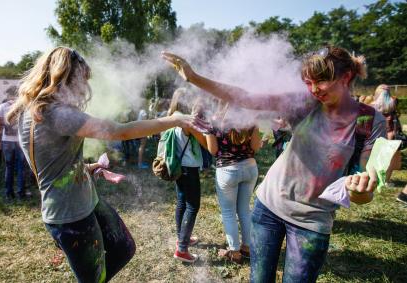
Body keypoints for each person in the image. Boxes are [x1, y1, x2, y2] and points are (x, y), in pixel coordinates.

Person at [162, 46, 386, 282]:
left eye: (320, 82)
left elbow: (364, 192)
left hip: (312, 221)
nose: (313, 90)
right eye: (307, 82)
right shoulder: (305, 103)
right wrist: (194, 77)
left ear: (346, 77)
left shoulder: (369, 122)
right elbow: (246, 97)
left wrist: (361, 190)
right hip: (268, 208)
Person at [6, 47, 200, 282]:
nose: (84, 88)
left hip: (81, 202)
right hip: (70, 214)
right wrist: (174, 119)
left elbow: (51, 163)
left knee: (123, 248)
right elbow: (121, 132)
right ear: (68, 77)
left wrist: (85, 168)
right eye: (82, 80)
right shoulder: (57, 113)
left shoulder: (38, 109)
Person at [205, 102, 261, 263]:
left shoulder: (214, 120)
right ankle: (247, 247)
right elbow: (255, 147)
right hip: (250, 168)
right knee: (244, 209)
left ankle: (235, 252)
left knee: (229, 212)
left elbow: (213, 150)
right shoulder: (251, 119)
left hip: (227, 170)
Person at [167, 88, 208, 263]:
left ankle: (181, 237)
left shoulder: (171, 117)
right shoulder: (186, 122)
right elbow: (206, 142)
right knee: (193, 206)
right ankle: (182, 249)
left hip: (178, 167)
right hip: (188, 169)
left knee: (182, 203)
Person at [0, 86, 27, 200]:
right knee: (21, 168)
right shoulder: (24, 106)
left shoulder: (2, 106)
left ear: (8, 94)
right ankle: (21, 194)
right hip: (20, 141)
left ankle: (9, 194)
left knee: (9, 167)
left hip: (6, 141)